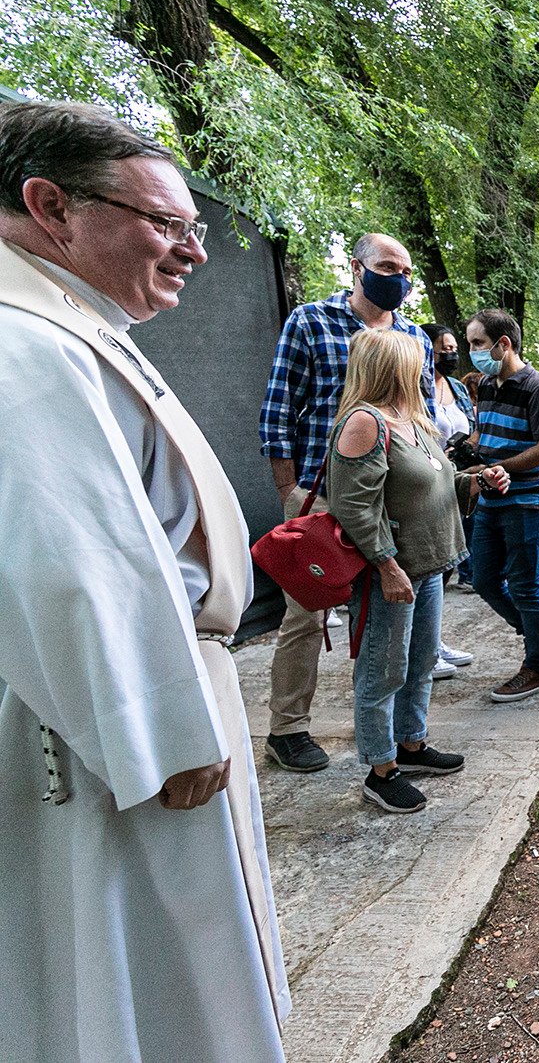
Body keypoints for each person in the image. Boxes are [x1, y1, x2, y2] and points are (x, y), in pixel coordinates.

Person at [0, 99, 289, 1059]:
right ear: (51, 206)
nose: (193, 252)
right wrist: (166, 730)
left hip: (149, 694)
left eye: (194, 227)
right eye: (166, 223)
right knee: (157, 974)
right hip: (112, 738)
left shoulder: (73, 318)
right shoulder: (24, 345)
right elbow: (69, 560)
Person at [258, 231, 433, 773]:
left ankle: (403, 740)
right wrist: (291, 494)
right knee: (306, 617)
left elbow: (418, 415)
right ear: (356, 268)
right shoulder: (311, 322)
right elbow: (277, 413)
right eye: (387, 266)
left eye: (406, 271)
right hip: (322, 500)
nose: (398, 279)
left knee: (398, 625)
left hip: (395, 507)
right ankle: (288, 729)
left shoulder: (414, 338)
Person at [327, 330, 508, 813]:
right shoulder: (365, 422)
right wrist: (386, 564)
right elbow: (353, 505)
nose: (427, 370)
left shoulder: (414, 420)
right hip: (394, 571)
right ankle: (380, 768)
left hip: (430, 565)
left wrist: (478, 481)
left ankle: (411, 744)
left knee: (421, 660)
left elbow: (437, 483)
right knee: (383, 668)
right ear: (392, 367)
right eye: (418, 363)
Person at [465, 309, 539, 701]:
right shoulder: (488, 384)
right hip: (491, 498)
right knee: (484, 579)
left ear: (503, 344)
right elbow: (484, 433)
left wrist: (499, 467)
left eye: (478, 343)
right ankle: (536, 631)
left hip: (528, 502)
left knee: (525, 586)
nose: (473, 351)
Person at [421, 322, 477, 673]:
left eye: (455, 347)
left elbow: (474, 425)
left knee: (447, 563)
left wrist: (465, 447)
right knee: (430, 563)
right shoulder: (416, 385)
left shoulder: (456, 386)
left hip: (457, 481)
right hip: (427, 483)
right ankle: (424, 649)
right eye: (444, 348)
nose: (452, 354)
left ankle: (434, 640)